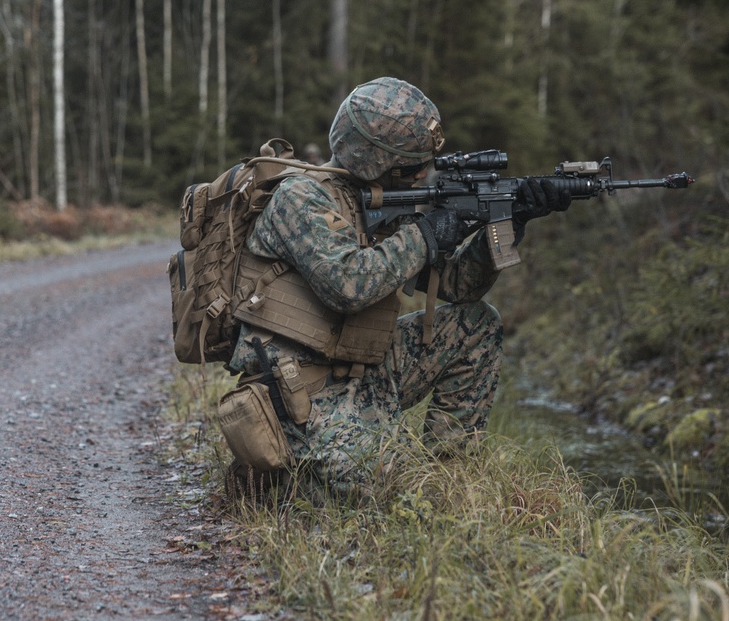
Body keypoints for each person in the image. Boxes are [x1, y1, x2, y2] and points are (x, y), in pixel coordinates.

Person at [226, 77, 570, 495]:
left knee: (476, 325)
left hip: (363, 366)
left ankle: (450, 470)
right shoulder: (300, 198)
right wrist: (424, 236)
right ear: (372, 160)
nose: (422, 175)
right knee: (385, 487)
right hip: (302, 388)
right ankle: (272, 478)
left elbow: (460, 287)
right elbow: (348, 285)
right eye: (411, 168)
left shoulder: (378, 204)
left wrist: (511, 222)